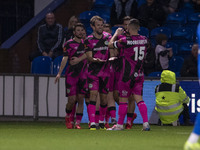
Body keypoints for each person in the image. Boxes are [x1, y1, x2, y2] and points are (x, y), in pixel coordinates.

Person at [108, 18, 150, 131]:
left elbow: (110, 44)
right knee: (139, 100)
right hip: (139, 74)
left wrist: (116, 34)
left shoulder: (125, 41)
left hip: (127, 75)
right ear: (138, 28)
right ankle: (146, 124)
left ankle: (120, 125)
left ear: (128, 29)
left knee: (123, 100)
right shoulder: (145, 39)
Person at [54, 23, 87, 129]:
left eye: (82, 30)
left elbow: (89, 55)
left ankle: (77, 123)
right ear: (74, 32)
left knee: (81, 99)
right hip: (72, 75)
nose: (80, 32)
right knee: (72, 100)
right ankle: (68, 116)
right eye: (78, 30)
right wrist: (59, 73)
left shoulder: (86, 43)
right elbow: (65, 58)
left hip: (83, 74)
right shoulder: (69, 43)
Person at [84, 16, 112, 130]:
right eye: (98, 25)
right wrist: (97, 60)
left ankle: (101, 122)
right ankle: (92, 123)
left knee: (104, 99)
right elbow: (89, 57)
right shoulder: (88, 40)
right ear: (92, 26)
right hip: (93, 72)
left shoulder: (108, 37)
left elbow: (114, 49)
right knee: (93, 95)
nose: (101, 27)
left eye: (102, 25)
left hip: (106, 72)